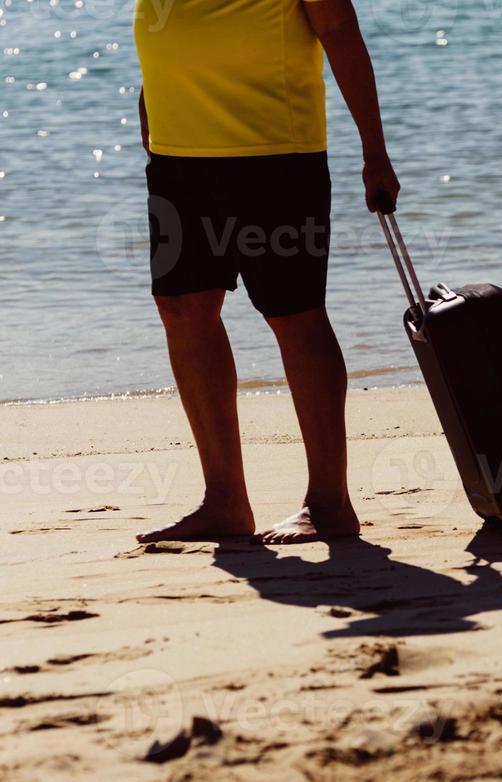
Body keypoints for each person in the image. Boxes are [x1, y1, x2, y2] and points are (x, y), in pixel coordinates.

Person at [133, 0, 400, 544]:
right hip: (178, 156)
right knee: (183, 308)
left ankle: (329, 503)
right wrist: (150, 103)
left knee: (294, 314)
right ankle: (224, 501)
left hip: (274, 152)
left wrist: (374, 149)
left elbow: (339, 28)